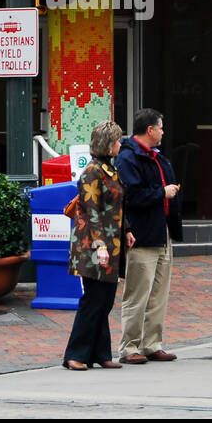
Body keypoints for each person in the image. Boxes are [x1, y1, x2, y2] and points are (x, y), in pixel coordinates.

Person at [62, 120, 134, 371]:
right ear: (108, 144)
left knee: (104, 301)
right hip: (92, 246)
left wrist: (126, 231)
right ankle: (76, 354)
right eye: (116, 140)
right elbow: (91, 211)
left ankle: (100, 353)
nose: (120, 144)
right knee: (93, 300)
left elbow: (116, 206)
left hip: (110, 243)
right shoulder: (93, 172)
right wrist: (100, 246)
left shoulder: (109, 170)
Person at [115, 108, 181, 364]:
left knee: (158, 292)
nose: (163, 132)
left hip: (161, 231)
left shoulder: (156, 158)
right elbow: (131, 195)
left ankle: (151, 343)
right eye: (161, 127)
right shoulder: (129, 158)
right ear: (150, 130)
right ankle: (129, 346)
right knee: (138, 292)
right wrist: (162, 193)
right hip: (141, 234)